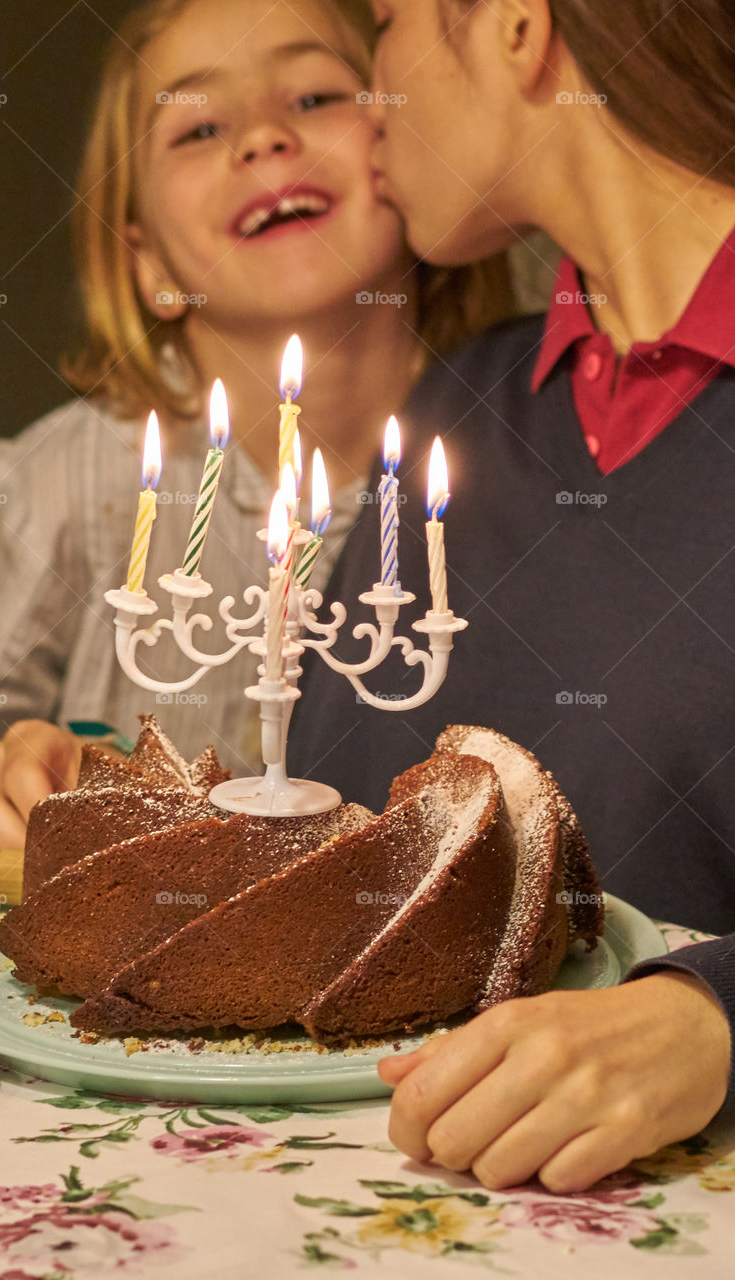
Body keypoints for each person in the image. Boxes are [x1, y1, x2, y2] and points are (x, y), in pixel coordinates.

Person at [0, 0, 517, 887]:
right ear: (145, 260)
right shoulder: (53, 489)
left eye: (312, 99)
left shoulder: (533, 455)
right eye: (198, 127)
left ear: (408, 150)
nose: (259, 139)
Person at [290, 0, 735, 1193]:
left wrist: (711, 1023)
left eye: (384, 19)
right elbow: (336, 837)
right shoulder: (456, 415)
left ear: (515, 24)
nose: (367, 89)